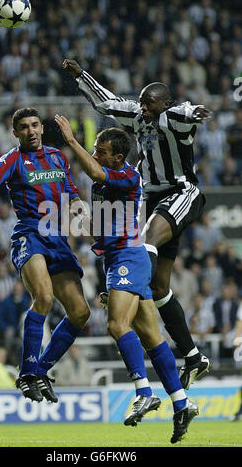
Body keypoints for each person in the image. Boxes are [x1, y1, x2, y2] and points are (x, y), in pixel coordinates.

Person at [63, 58, 211, 390]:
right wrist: (80, 76)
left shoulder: (174, 117)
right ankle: (192, 356)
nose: (144, 108)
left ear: (165, 105)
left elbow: (187, 113)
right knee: (160, 288)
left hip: (181, 192)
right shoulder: (137, 115)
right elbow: (105, 102)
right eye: (142, 102)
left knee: (145, 241)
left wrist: (198, 110)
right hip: (154, 200)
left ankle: (127, 291)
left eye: (150, 103)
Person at [55, 114, 198, 444]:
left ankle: (143, 391)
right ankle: (182, 402)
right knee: (151, 336)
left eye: (100, 151)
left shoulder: (127, 175)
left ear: (117, 157)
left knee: (118, 325)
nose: (94, 154)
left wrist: (71, 141)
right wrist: (77, 214)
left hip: (129, 256)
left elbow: (92, 169)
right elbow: (99, 226)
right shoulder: (101, 184)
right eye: (93, 148)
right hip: (115, 258)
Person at [0, 107, 90, 405]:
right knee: (43, 296)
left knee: (81, 312)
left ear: (42, 128)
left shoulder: (57, 156)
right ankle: (27, 372)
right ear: (16, 133)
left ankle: (39, 370)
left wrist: (84, 216)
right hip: (29, 233)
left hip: (58, 238)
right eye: (24, 127)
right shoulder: (12, 159)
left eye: (35, 125)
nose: (31, 131)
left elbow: (71, 194)